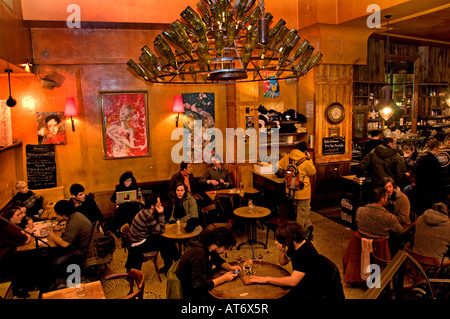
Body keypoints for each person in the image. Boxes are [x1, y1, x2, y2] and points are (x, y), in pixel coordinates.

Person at [245, 221, 344, 299]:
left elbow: (293, 281)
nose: (276, 242)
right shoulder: (295, 243)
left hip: (322, 283)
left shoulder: (306, 251)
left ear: (288, 240)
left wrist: (266, 279)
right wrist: (282, 251)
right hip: (306, 277)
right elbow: (283, 262)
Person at [175, 227, 240, 300]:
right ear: (217, 243)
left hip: (199, 280)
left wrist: (230, 267)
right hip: (192, 290)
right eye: (225, 248)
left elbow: (215, 258)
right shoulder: (200, 255)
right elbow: (199, 285)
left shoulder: (208, 245)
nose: (225, 252)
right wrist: (223, 278)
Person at [126, 194, 179, 273]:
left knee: (164, 240)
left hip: (139, 239)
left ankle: (171, 262)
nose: (160, 204)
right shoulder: (148, 216)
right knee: (165, 240)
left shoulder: (145, 211)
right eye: (158, 202)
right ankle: (176, 260)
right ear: (152, 206)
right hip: (139, 244)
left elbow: (156, 228)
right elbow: (161, 229)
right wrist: (161, 213)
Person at [47, 200, 93, 284]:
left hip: (82, 251)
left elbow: (64, 244)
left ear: (63, 214)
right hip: (82, 244)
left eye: (57, 214)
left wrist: (52, 237)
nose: (56, 216)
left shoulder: (74, 222)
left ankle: (66, 282)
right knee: (55, 253)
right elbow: (74, 231)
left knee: (56, 262)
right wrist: (60, 228)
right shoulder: (76, 215)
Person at [277, 141, 316, 239]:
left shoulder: (287, 156)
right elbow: (313, 171)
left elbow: (278, 167)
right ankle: (298, 235)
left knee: (298, 211)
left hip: (290, 191)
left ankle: (308, 227)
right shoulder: (305, 160)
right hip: (303, 191)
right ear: (305, 151)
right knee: (302, 213)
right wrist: (310, 159)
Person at [0, 205, 33, 298]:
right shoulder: (7, 226)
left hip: (7, 253)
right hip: (4, 255)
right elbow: (25, 239)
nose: (21, 216)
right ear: (10, 217)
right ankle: (19, 289)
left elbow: (19, 234)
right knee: (21, 261)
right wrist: (29, 232)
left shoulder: (7, 225)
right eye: (18, 215)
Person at [413, 139, 446, 215]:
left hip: (422, 190)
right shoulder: (435, 161)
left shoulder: (422, 159)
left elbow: (417, 174)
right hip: (432, 190)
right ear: (436, 148)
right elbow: (438, 178)